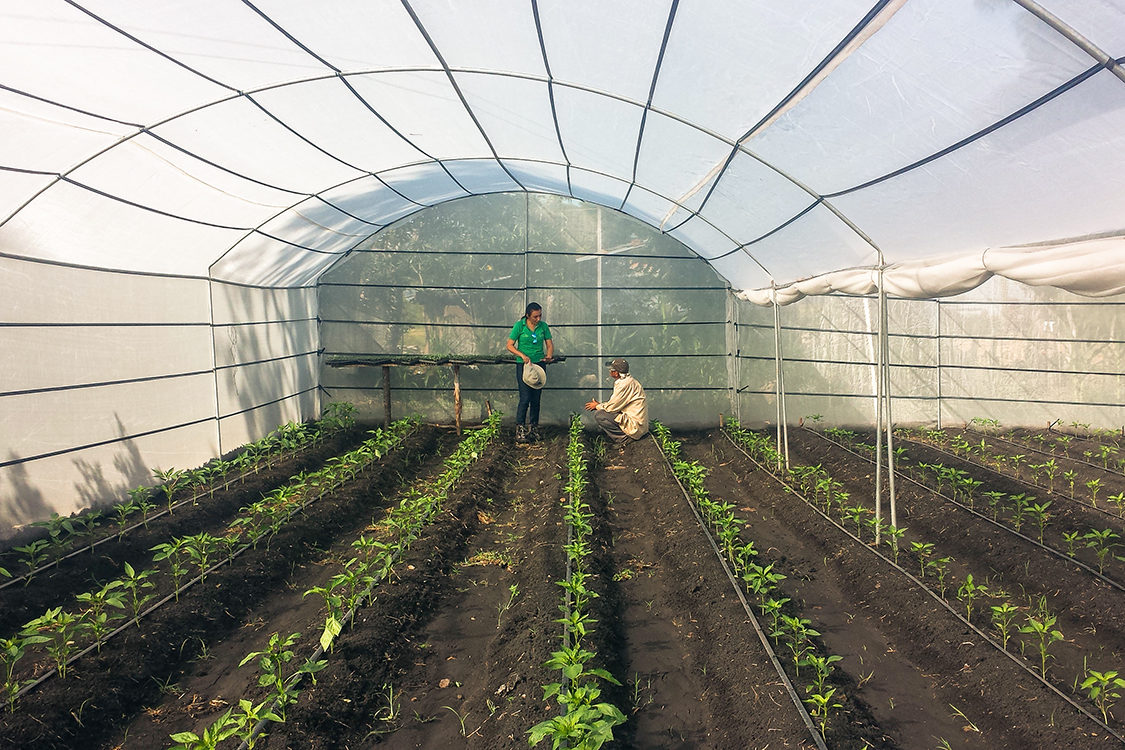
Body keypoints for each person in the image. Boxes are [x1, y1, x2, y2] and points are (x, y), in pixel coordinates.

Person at [506, 302, 554, 442]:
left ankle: (534, 428)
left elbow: (549, 344)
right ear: (528, 315)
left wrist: (549, 355)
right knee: (525, 397)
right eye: (535, 316)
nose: (538, 319)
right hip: (524, 365)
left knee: (536, 398)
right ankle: (520, 429)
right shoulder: (519, 326)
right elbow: (509, 345)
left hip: (539, 365)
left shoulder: (543, 326)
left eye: (540, 316)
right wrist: (521, 355)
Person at [584, 358, 648, 444]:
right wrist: (601, 405)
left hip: (635, 426)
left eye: (611, 370)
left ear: (616, 372)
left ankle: (624, 439)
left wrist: (597, 406)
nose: (609, 372)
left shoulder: (624, 384)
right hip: (638, 425)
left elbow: (612, 407)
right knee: (603, 412)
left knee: (600, 415)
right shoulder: (630, 381)